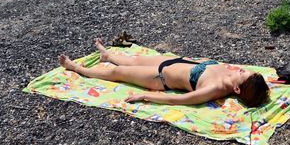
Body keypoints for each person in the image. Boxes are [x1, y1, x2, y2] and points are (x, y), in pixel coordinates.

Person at [58, 39, 270, 107]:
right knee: (133, 60)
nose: (241, 70)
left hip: (160, 78)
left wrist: (145, 96)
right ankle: (106, 55)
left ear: (236, 88)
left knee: (118, 72)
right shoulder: (229, 72)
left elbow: (182, 100)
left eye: (242, 74)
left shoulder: (215, 88)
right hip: (173, 61)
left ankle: (77, 68)